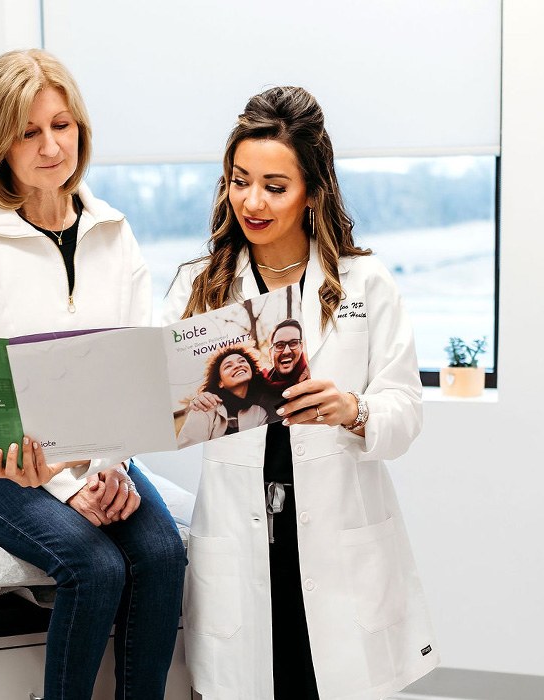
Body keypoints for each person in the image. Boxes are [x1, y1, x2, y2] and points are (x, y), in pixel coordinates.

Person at [164, 87, 438, 699]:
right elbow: (158, 400)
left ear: (313, 189)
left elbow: (405, 409)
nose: (251, 201)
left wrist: (354, 410)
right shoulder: (199, 289)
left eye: (275, 186)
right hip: (241, 532)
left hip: (334, 531)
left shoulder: (366, 282)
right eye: (240, 180)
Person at [0, 49, 185, 700]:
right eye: (28, 131)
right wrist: (71, 487)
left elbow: (132, 371)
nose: (52, 145)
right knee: (95, 565)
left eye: (62, 125)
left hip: (93, 446)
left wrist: (111, 466)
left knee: (160, 554)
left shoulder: (115, 235)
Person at [177, 345, 269, 447]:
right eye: (228, 366)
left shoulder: (259, 413)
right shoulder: (205, 406)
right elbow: (189, 449)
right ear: (220, 382)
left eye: (242, 361)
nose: (238, 365)